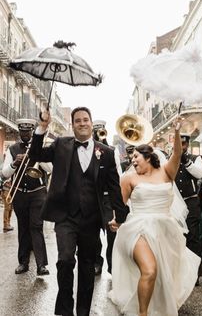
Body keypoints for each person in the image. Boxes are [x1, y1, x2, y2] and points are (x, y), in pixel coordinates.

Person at [28, 107, 128, 316]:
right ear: (72, 125)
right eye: (77, 121)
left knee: (87, 265)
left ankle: (83, 311)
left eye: (85, 120)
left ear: (91, 123)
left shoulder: (106, 153)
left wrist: (121, 217)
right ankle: (65, 310)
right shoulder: (61, 145)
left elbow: (114, 188)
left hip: (91, 220)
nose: (82, 123)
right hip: (65, 217)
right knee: (65, 260)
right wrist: (42, 128)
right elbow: (36, 154)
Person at [109, 118, 200, 316]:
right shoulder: (128, 178)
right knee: (149, 270)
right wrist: (115, 220)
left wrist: (176, 132)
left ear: (148, 157)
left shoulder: (167, 172)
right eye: (131, 158)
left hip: (165, 230)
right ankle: (142, 314)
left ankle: (154, 306)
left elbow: (176, 153)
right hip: (138, 228)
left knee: (162, 276)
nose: (133, 161)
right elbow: (120, 206)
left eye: (136, 157)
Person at [2, 119, 50, 276]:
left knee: (36, 226)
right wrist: (15, 163)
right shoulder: (13, 149)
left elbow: (50, 169)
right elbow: (4, 173)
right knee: (23, 227)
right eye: (22, 132)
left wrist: (37, 156)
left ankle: (41, 265)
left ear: (32, 132)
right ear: (19, 132)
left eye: (28, 132)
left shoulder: (40, 146)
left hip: (38, 192)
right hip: (19, 193)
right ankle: (23, 262)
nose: (25, 135)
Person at [92, 119, 122, 276]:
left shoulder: (112, 150)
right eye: (97, 131)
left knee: (112, 233)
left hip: (107, 198)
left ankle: (112, 266)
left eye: (102, 131)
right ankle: (97, 262)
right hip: (93, 198)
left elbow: (118, 176)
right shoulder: (88, 149)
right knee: (93, 234)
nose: (99, 134)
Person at [175, 133, 202, 285]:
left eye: (184, 144)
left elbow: (200, 173)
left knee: (192, 237)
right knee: (176, 238)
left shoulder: (195, 158)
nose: (181, 146)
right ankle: (179, 273)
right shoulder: (169, 158)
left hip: (190, 202)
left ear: (187, 144)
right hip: (174, 205)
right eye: (178, 143)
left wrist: (185, 160)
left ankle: (195, 274)